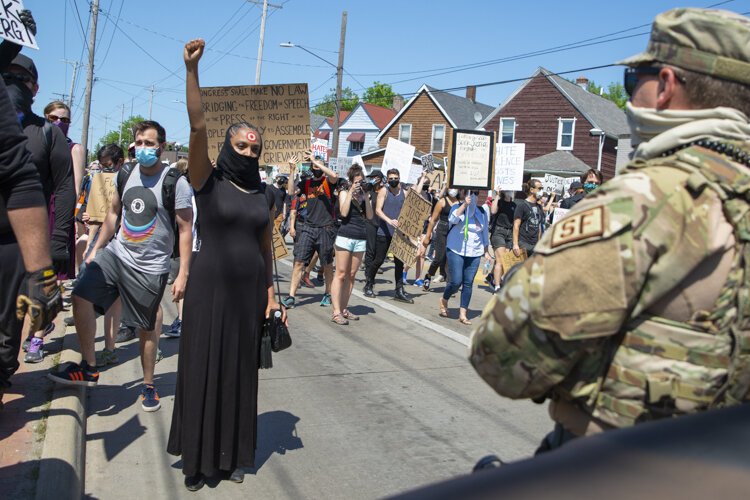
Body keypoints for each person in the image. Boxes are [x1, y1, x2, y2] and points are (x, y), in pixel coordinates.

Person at [470, 7, 750, 454]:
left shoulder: (644, 199)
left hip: (612, 467)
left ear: (667, 86)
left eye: (633, 78)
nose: (629, 95)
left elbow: (500, 357)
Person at [168, 38, 286, 490]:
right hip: (209, 289)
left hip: (247, 297)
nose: (249, 154)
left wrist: (272, 298)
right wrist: (192, 72)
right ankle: (198, 462)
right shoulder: (206, 180)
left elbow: (265, 249)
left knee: (239, 374)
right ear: (228, 145)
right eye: (241, 146)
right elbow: (198, 128)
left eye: (255, 149)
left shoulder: (264, 194)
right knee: (202, 369)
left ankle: (232, 455)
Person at [48, 120, 193, 413]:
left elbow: (186, 228)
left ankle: (148, 385)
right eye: (138, 143)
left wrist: (184, 274)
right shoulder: (126, 173)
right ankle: (88, 367)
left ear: (161, 147)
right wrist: (95, 250)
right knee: (81, 295)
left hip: (150, 267)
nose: (142, 149)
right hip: (117, 253)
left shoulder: (175, 181)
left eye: (149, 144)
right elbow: (114, 213)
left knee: (146, 328)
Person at [0, 70, 62, 408]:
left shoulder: (43, 133)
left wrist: (46, 269)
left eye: (21, 79)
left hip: (15, 242)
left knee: (6, 330)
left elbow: (33, 185)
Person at [282, 153, 339, 308]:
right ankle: (291, 296)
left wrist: (316, 161)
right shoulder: (306, 183)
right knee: (299, 261)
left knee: (327, 264)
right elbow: (291, 192)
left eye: (318, 166)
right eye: (314, 166)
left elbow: (334, 175)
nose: (316, 169)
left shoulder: (328, 182)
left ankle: (328, 293)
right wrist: (292, 170)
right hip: (308, 227)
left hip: (326, 228)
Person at [364, 168, 424, 303]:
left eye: (395, 178)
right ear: (387, 179)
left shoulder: (404, 192)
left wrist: (423, 177)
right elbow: (378, 211)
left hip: (399, 234)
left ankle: (399, 290)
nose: (393, 180)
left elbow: (416, 194)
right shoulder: (384, 191)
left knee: (399, 263)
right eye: (390, 178)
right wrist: (389, 220)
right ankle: (369, 284)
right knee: (378, 260)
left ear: (399, 178)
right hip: (384, 232)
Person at [440, 192, 491, 325]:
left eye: (484, 196)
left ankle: (463, 314)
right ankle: (444, 299)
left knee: (468, 282)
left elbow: (485, 233)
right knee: (456, 281)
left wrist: (486, 252)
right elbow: (453, 219)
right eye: (478, 195)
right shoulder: (457, 207)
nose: (481, 198)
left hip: (475, 252)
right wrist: (464, 205)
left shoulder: (483, 211)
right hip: (456, 249)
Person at [330, 165, 373, 325]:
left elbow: (369, 215)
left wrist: (366, 195)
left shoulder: (363, 195)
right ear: (351, 181)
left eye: (361, 181)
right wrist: (350, 192)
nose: (359, 184)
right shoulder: (343, 192)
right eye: (356, 182)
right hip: (345, 235)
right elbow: (343, 212)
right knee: (340, 273)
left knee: (352, 274)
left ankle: (344, 308)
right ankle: (336, 312)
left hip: (361, 237)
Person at [419, 186, 458, 291]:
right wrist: (428, 235)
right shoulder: (442, 202)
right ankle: (428, 275)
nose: (453, 190)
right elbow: (433, 220)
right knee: (439, 258)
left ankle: (449, 284)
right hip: (442, 230)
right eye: (451, 188)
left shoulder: (460, 202)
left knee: (450, 259)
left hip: (454, 231)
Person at [362, 170, 384, 296]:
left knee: (378, 252)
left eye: (375, 177)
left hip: (381, 224)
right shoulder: (368, 189)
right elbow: (363, 188)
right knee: (370, 250)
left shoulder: (383, 191)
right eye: (371, 178)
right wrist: (370, 183)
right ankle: (368, 276)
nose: (373, 179)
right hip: (370, 222)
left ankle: (372, 272)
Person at [489, 189, 516, 291]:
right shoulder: (499, 202)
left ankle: (494, 277)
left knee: (506, 261)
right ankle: (497, 286)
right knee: (500, 260)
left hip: (510, 234)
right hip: (499, 232)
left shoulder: (514, 205)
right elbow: (493, 211)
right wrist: (497, 195)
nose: (510, 191)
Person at [512, 179, 543, 257]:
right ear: (532, 190)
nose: (541, 191)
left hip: (535, 245)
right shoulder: (522, 205)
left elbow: (538, 227)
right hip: (523, 243)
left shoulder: (539, 207)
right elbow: (516, 226)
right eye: (539, 189)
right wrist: (515, 244)